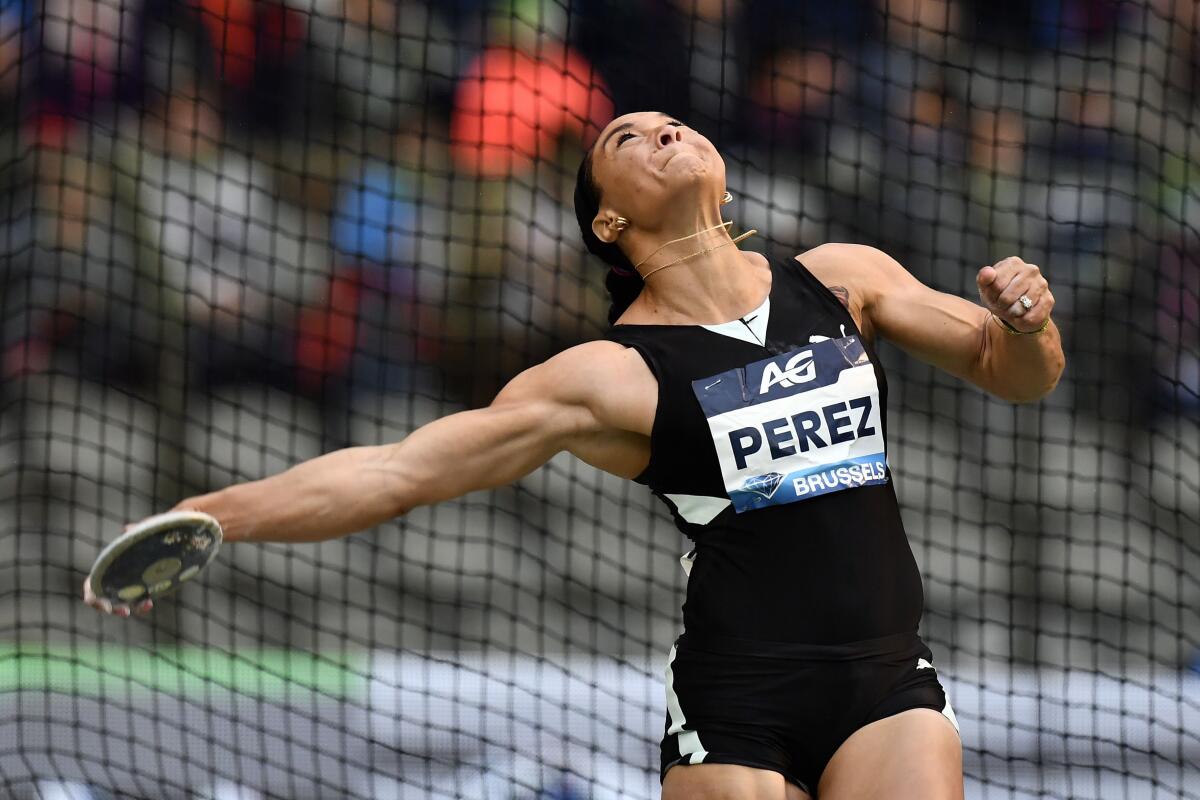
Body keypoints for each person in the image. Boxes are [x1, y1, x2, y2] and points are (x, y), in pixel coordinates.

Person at [84, 111, 1065, 800]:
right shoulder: (608, 375)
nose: (661, 131)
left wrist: (1025, 324)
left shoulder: (842, 279)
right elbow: (399, 471)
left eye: (671, 122)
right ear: (608, 220)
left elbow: (1014, 371)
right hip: (740, 703)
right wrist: (216, 510)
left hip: (888, 676)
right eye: (625, 138)